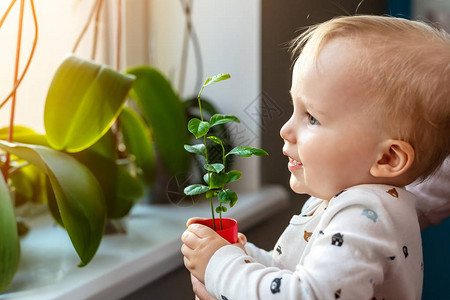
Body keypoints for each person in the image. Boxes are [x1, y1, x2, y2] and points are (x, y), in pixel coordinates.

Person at [181, 15, 450, 299]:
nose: (285, 129)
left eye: (312, 117)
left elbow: (305, 295)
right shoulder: (342, 200)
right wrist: (244, 256)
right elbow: (292, 275)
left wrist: (221, 265)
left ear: (387, 158)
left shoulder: (364, 216)